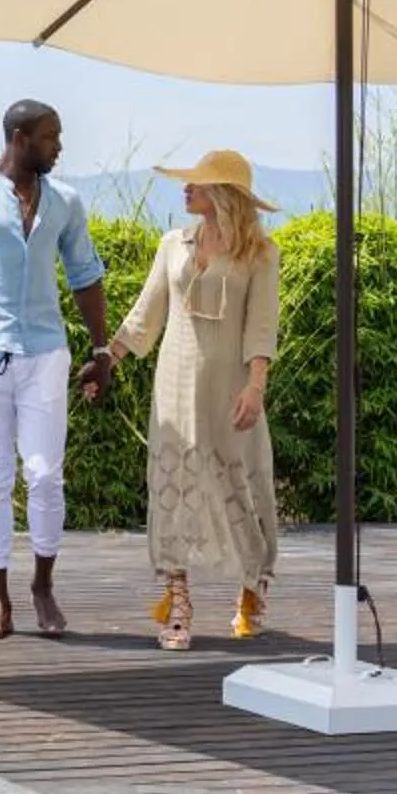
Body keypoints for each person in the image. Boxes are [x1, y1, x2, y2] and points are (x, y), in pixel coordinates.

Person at [0, 100, 113, 642]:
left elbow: (86, 276)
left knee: (45, 474)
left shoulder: (65, 203)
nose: (59, 145)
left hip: (46, 353)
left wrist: (101, 350)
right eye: (51, 136)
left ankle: (42, 586)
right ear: (19, 137)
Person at [112, 149, 282, 650]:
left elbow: (262, 325)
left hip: (230, 386)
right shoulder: (173, 244)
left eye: (197, 183)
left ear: (223, 195)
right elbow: (147, 313)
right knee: (174, 485)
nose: (185, 190)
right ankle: (178, 601)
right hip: (175, 381)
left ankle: (252, 587)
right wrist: (108, 358)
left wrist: (256, 387)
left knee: (241, 485)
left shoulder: (259, 253)